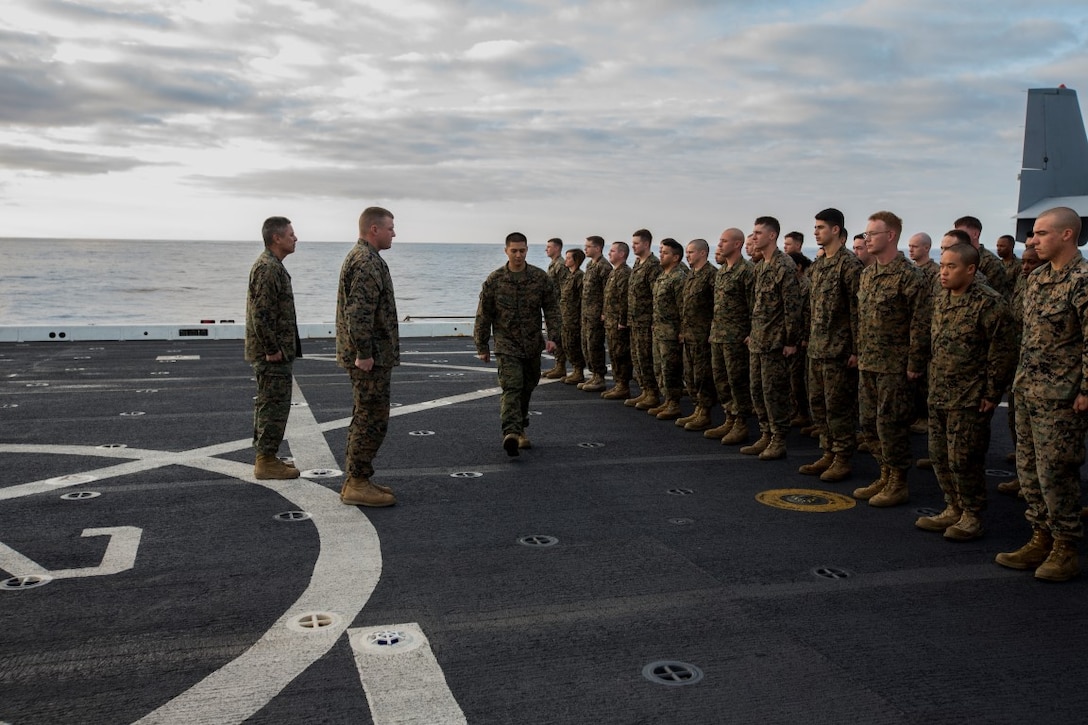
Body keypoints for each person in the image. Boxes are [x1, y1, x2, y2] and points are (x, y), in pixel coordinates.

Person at [996, 207, 1088, 581]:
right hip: (1028, 390)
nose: (1032, 241)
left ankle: (1065, 547)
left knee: (1057, 472)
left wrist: (1086, 389)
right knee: (1029, 470)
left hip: (1062, 397)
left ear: (1067, 235)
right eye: (1033, 234)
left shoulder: (1082, 280)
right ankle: (1040, 536)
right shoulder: (1037, 280)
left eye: (1041, 233)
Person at [915, 242, 1015, 540]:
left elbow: (1003, 352)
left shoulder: (990, 303)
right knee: (939, 454)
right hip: (940, 391)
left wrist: (991, 392)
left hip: (970, 397)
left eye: (951, 267)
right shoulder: (942, 298)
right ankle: (952, 506)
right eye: (942, 265)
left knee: (965, 458)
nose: (943, 273)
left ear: (971, 269)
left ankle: (972, 514)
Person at [852, 211, 931, 507]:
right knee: (869, 423)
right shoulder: (868, 274)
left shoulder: (911, 276)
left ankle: (898, 481)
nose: (867, 238)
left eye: (873, 233)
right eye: (866, 233)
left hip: (895, 367)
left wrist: (914, 364)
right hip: (869, 362)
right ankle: (884, 473)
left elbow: (920, 323)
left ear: (891, 236)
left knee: (892, 425)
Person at [474, 232, 562, 457]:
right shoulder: (495, 280)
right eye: (514, 250)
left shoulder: (539, 278)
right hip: (506, 344)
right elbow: (484, 314)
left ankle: (520, 426)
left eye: (522, 250)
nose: (518, 255)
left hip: (532, 344)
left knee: (527, 386)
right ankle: (511, 433)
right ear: (506, 251)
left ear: (527, 250)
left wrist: (553, 336)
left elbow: (551, 308)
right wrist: (481, 345)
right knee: (512, 387)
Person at [336, 207, 400, 507]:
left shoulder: (368, 258)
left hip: (372, 354)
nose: (394, 233)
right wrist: (364, 353)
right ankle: (357, 483)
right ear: (374, 229)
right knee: (371, 418)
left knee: (367, 415)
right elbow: (358, 312)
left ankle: (358, 477)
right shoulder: (365, 262)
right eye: (390, 228)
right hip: (369, 357)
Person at [798, 208, 861, 482]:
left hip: (839, 350)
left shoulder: (849, 265)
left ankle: (843, 457)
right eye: (815, 227)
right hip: (817, 348)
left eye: (821, 227)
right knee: (819, 405)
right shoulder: (819, 266)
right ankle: (828, 451)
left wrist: (857, 350)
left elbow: (858, 310)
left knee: (838, 407)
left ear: (836, 230)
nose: (816, 231)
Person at [245, 216, 303, 481]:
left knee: (270, 403)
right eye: (291, 234)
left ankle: (266, 456)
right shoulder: (268, 268)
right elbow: (261, 313)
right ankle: (266, 461)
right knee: (273, 405)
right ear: (276, 238)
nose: (295, 238)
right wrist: (271, 348)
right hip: (272, 353)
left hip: (275, 350)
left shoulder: (272, 266)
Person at [743, 216, 803, 460]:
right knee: (757, 390)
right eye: (753, 232)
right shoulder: (761, 267)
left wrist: (790, 341)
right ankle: (766, 434)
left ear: (772, 236)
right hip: (758, 339)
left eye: (758, 233)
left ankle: (778, 439)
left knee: (773, 392)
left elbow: (792, 307)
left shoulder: (784, 265)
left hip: (776, 342)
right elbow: (756, 306)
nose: (754, 236)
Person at [997, 245, 1043, 496]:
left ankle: (1037, 485)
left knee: (1046, 442)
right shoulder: (1025, 283)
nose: (1025, 267)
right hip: (1020, 365)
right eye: (1023, 262)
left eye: (1031, 263)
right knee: (1017, 424)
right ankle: (1026, 479)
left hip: (1048, 376)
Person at [706, 228, 755, 444]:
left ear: (737, 244)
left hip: (737, 337)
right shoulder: (723, 271)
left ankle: (741, 423)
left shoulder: (747, 271)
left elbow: (754, 305)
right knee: (721, 380)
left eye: (724, 241)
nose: (720, 244)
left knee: (737, 382)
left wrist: (752, 333)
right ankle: (729, 417)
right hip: (719, 336)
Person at [676, 238, 717, 430]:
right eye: (687, 252)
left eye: (691, 252)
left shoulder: (711, 275)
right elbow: (686, 307)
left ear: (702, 253)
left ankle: (705, 412)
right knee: (690, 374)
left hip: (703, 336)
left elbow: (717, 307)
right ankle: (697, 409)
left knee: (702, 376)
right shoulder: (691, 275)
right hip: (689, 335)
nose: (687, 255)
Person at [648, 238, 688, 420]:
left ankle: (674, 403)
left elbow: (683, 308)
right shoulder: (663, 275)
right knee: (660, 367)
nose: (660, 255)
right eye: (660, 252)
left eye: (665, 253)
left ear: (675, 257)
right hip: (660, 330)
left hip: (671, 332)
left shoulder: (679, 277)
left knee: (671, 369)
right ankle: (667, 400)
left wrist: (682, 331)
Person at [626, 229, 663, 410]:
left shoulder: (653, 266)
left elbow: (656, 297)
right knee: (638, 358)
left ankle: (653, 393)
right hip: (635, 321)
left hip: (646, 322)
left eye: (636, 243)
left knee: (647, 358)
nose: (633, 246)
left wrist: (653, 322)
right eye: (632, 243)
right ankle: (645, 391)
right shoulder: (637, 263)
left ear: (646, 244)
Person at [601, 241, 633, 400]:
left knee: (621, 354)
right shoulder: (614, 272)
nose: (609, 253)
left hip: (619, 324)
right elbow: (609, 298)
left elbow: (625, 299)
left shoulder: (624, 273)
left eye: (612, 251)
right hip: (611, 322)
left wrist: (622, 321)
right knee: (614, 354)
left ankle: (623, 385)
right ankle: (618, 384)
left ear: (622, 254)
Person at [580, 236, 612, 392]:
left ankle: (599, 377)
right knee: (587, 345)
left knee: (595, 345)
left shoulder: (604, 267)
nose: (585, 249)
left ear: (598, 248)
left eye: (588, 246)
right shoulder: (590, 265)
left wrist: (605, 312)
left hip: (597, 314)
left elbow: (609, 292)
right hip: (587, 313)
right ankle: (593, 374)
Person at [954, 215, 1013, 298]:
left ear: (975, 234)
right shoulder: (957, 258)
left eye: (961, 234)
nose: (957, 238)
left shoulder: (992, 263)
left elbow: (998, 296)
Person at [787, 250, 812, 427]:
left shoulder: (805, 285)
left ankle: (804, 413)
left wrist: (804, 337)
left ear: (798, 266)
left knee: (799, 379)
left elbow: (807, 313)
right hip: (794, 337)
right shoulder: (793, 284)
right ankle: (797, 410)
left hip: (802, 338)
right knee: (793, 378)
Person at [541, 237, 569, 380]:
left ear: (557, 248)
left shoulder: (561, 265)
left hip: (558, 308)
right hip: (552, 307)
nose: (546, 249)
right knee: (554, 335)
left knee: (558, 336)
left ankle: (561, 366)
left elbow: (565, 288)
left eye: (549, 247)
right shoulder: (553, 265)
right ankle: (558, 365)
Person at [560, 249, 587, 385]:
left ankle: (579, 371)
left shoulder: (579, 277)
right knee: (567, 344)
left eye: (569, 258)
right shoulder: (569, 276)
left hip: (574, 318)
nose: (566, 260)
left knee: (574, 344)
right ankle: (576, 370)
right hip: (566, 317)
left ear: (575, 260)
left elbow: (582, 298)